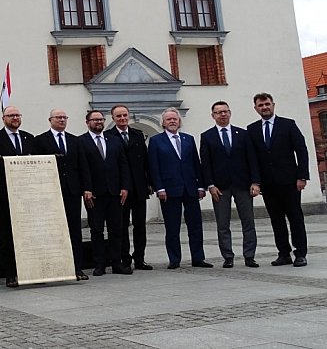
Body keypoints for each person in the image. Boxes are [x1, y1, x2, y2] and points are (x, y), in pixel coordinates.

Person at [247, 93, 310, 267]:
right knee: (276, 219)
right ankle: (284, 253)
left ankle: (300, 253)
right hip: (268, 184)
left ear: (273, 105)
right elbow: (252, 158)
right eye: (260, 105)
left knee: (295, 217)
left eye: (267, 104)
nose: (264, 107)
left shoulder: (288, 125)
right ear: (256, 108)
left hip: (290, 181)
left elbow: (301, 151)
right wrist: (256, 182)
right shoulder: (252, 129)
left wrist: (302, 176)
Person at [147, 108, 212, 269]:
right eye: (168, 119)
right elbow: (153, 167)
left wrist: (200, 185)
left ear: (179, 121)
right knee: (172, 227)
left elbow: (196, 164)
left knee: (195, 226)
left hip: (191, 189)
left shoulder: (188, 139)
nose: (172, 121)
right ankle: (174, 259)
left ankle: (198, 257)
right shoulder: (156, 141)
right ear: (163, 123)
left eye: (174, 119)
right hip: (169, 190)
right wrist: (159, 188)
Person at [200, 101, 261, 268]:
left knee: (248, 222)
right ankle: (228, 256)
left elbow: (252, 160)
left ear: (230, 113)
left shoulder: (243, 134)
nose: (222, 114)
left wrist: (255, 182)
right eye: (218, 112)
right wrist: (210, 185)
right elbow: (205, 163)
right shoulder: (207, 136)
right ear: (213, 115)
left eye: (225, 111)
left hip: (243, 184)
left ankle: (249, 256)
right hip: (220, 187)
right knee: (222, 224)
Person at [33, 109, 91, 281]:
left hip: (73, 191)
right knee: (52, 231)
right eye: (58, 117)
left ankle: (77, 268)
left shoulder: (75, 140)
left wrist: (87, 187)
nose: (62, 120)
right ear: (50, 119)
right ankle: (53, 268)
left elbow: (83, 165)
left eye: (64, 117)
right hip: (51, 191)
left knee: (74, 230)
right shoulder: (40, 140)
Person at [0, 106, 35, 287]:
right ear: (3, 118)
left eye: (17, 115)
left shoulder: (29, 138)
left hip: (26, 194)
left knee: (27, 234)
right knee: (7, 235)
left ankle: (30, 271)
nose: (15, 118)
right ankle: (11, 274)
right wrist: (12, 165)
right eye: (11, 115)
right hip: (5, 194)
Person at [77, 110, 132, 276]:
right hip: (94, 195)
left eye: (101, 119)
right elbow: (82, 168)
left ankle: (116, 263)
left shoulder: (114, 140)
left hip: (115, 193)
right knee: (97, 230)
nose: (98, 122)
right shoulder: (81, 141)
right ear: (87, 122)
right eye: (95, 120)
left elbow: (123, 165)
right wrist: (86, 189)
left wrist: (125, 187)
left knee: (117, 229)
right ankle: (99, 264)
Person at [105, 105, 153, 271]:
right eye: (118, 116)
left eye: (124, 115)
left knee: (140, 225)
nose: (122, 118)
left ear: (129, 116)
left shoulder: (137, 135)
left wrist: (149, 182)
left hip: (139, 188)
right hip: (120, 190)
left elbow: (146, 162)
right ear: (113, 118)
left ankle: (139, 258)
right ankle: (124, 258)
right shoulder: (108, 136)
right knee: (121, 225)